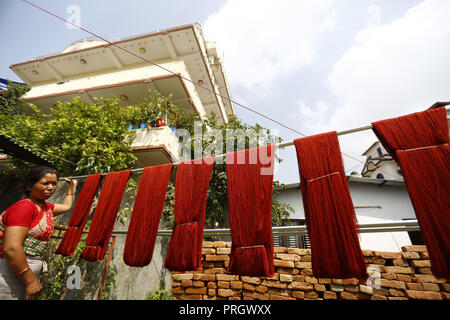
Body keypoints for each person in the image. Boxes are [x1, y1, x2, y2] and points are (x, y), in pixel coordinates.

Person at [0, 166, 77, 300]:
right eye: (45, 183)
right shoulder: (25, 207)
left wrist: (72, 187)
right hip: (9, 268)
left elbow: (66, 206)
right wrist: (30, 280)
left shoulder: (44, 207)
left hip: (22, 270)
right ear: (29, 186)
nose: (51, 187)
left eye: (54, 183)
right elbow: (11, 248)